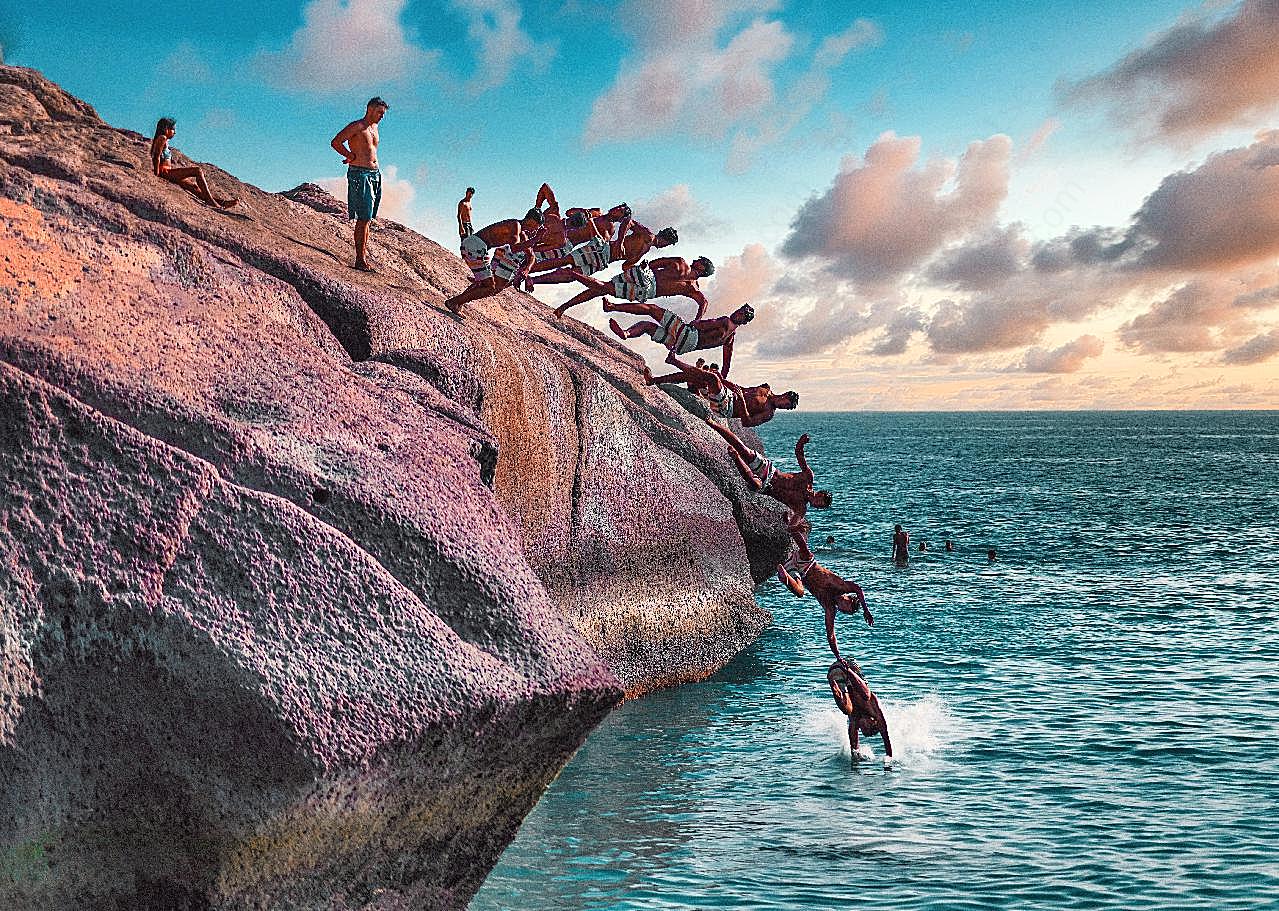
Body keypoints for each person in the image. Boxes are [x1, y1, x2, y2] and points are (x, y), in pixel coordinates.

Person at [775, 525, 872, 666]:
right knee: (806, 551)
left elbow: (831, 636)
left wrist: (838, 657)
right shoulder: (842, 587)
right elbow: (858, 589)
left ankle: (785, 578)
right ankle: (792, 527)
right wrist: (866, 610)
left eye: (845, 612)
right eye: (847, 607)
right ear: (849, 599)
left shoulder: (829, 608)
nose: (843, 610)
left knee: (800, 592)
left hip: (797, 573)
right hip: (807, 563)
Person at [705, 421, 832, 527]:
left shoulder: (800, 508)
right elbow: (799, 455)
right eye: (820, 501)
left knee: (755, 484)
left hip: (766, 488)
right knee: (744, 449)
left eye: (819, 506)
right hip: (769, 471)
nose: (816, 504)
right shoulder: (808, 478)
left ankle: (736, 457)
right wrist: (801, 443)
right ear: (819, 493)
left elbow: (792, 524)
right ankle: (712, 423)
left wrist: (790, 522)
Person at [644, 351, 798, 427]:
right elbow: (741, 389)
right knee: (696, 377)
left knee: (711, 378)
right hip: (728, 394)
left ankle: (674, 361)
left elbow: (747, 422)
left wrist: (742, 401)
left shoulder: (768, 412)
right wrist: (724, 382)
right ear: (785, 395)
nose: (785, 407)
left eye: (788, 408)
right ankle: (654, 380)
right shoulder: (766, 388)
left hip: (726, 408)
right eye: (787, 404)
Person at [607, 302, 754, 377]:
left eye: (741, 313)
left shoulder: (725, 321)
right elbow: (726, 365)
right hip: (684, 347)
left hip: (688, 334)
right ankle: (626, 334)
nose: (737, 312)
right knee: (647, 327)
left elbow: (701, 325)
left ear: (743, 321)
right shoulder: (730, 338)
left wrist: (695, 322)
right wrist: (721, 380)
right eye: (739, 310)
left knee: (651, 309)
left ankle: (612, 307)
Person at [554, 256, 714, 320]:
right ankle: (572, 275)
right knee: (604, 288)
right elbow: (704, 303)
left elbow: (654, 264)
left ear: (702, 267)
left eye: (699, 261)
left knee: (602, 288)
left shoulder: (680, 262)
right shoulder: (693, 288)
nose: (695, 260)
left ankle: (564, 306)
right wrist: (696, 321)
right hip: (648, 290)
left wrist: (642, 269)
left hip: (643, 275)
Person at [331, 96, 389, 271]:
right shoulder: (357, 126)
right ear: (370, 109)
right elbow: (336, 142)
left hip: (374, 174)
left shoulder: (375, 128)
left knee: (369, 217)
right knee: (363, 218)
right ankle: (360, 260)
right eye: (380, 112)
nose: (382, 116)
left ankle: (362, 256)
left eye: (383, 113)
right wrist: (349, 156)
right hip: (360, 173)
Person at [149, 118, 237, 209]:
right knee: (197, 170)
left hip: (169, 172)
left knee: (194, 187)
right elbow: (156, 156)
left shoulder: (164, 139)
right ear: (166, 129)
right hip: (165, 172)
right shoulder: (162, 138)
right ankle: (211, 201)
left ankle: (222, 203)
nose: (174, 132)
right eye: (173, 129)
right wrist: (156, 174)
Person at [445, 234, 538, 313]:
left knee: (489, 286)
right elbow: (529, 253)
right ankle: (455, 302)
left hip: (509, 256)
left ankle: (458, 302)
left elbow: (531, 255)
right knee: (492, 288)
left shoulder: (530, 234)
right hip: (510, 257)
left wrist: (526, 271)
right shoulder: (526, 233)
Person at [827, 661, 893, 762]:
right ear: (873, 722)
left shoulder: (854, 721)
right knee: (867, 695)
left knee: (847, 710)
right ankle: (847, 670)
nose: (861, 727)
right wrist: (889, 759)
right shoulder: (875, 711)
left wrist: (856, 761)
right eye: (866, 728)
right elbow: (886, 738)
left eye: (862, 729)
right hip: (849, 667)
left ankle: (836, 691)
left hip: (835, 674)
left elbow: (854, 750)